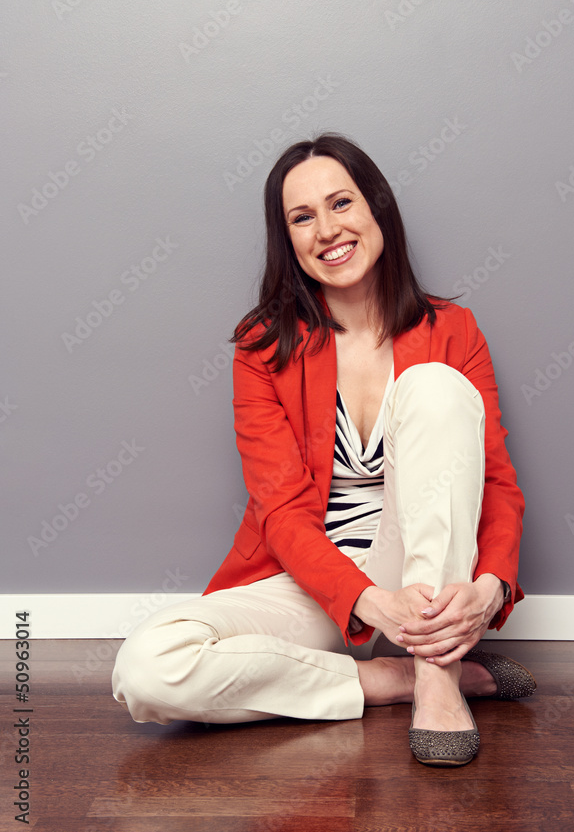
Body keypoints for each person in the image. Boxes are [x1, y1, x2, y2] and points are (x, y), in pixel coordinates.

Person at [112, 132, 536, 767]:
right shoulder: (261, 346)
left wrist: (491, 588)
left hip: (418, 573)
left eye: (341, 203)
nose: (326, 229)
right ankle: (392, 680)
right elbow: (280, 510)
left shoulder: (454, 331)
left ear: (377, 209)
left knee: (434, 387)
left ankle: (439, 680)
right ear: (288, 241)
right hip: (316, 583)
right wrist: (370, 603)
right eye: (301, 217)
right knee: (147, 667)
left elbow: (496, 483)